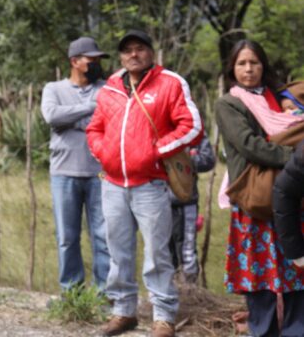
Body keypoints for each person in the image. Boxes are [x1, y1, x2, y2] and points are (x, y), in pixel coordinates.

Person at [86, 30, 202, 337]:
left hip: (150, 184)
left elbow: (192, 126)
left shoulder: (170, 83)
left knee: (157, 253)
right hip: (111, 183)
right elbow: (94, 128)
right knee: (117, 251)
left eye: (140, 49)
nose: (133, 54)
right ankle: (123, 311)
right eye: (127, 50)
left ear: (151, 52)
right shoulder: (110, 88)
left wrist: (156, 152)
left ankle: (163, 316)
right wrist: (103, 151)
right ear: (121, 56)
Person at [215, 39, 303, 337]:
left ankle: (295, 330)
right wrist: (295, 156)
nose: (249, 69)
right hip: (254, 195)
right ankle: (263, 330)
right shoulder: (229, 103)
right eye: (242, 63)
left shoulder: (278, 98)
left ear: (263, 66)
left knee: (296, 265)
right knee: (258, 271)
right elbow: (250, 146)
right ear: (232, 69)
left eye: (254, 62)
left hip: (290, 195)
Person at [40, 36, 111, 295]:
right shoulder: (53, 89)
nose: (96, 64)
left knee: (103, 238)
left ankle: (104, 294)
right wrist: (90, 108)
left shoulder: (107, 89)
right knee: (67, 238)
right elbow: (51, 116)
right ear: (75, 62)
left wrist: (70, 118)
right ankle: (72, 293)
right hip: (63, 173)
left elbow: (108, 121)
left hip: (99, 173)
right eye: (91, 60)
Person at [167, 137, 215, 284]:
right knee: (162, 251)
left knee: (187, 250)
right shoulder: (157, 126)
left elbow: (208, 160)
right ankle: (166, 291)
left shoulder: (194, 130)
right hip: (159, 201)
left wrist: (183, 160)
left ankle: (189, 291)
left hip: (187, 201)